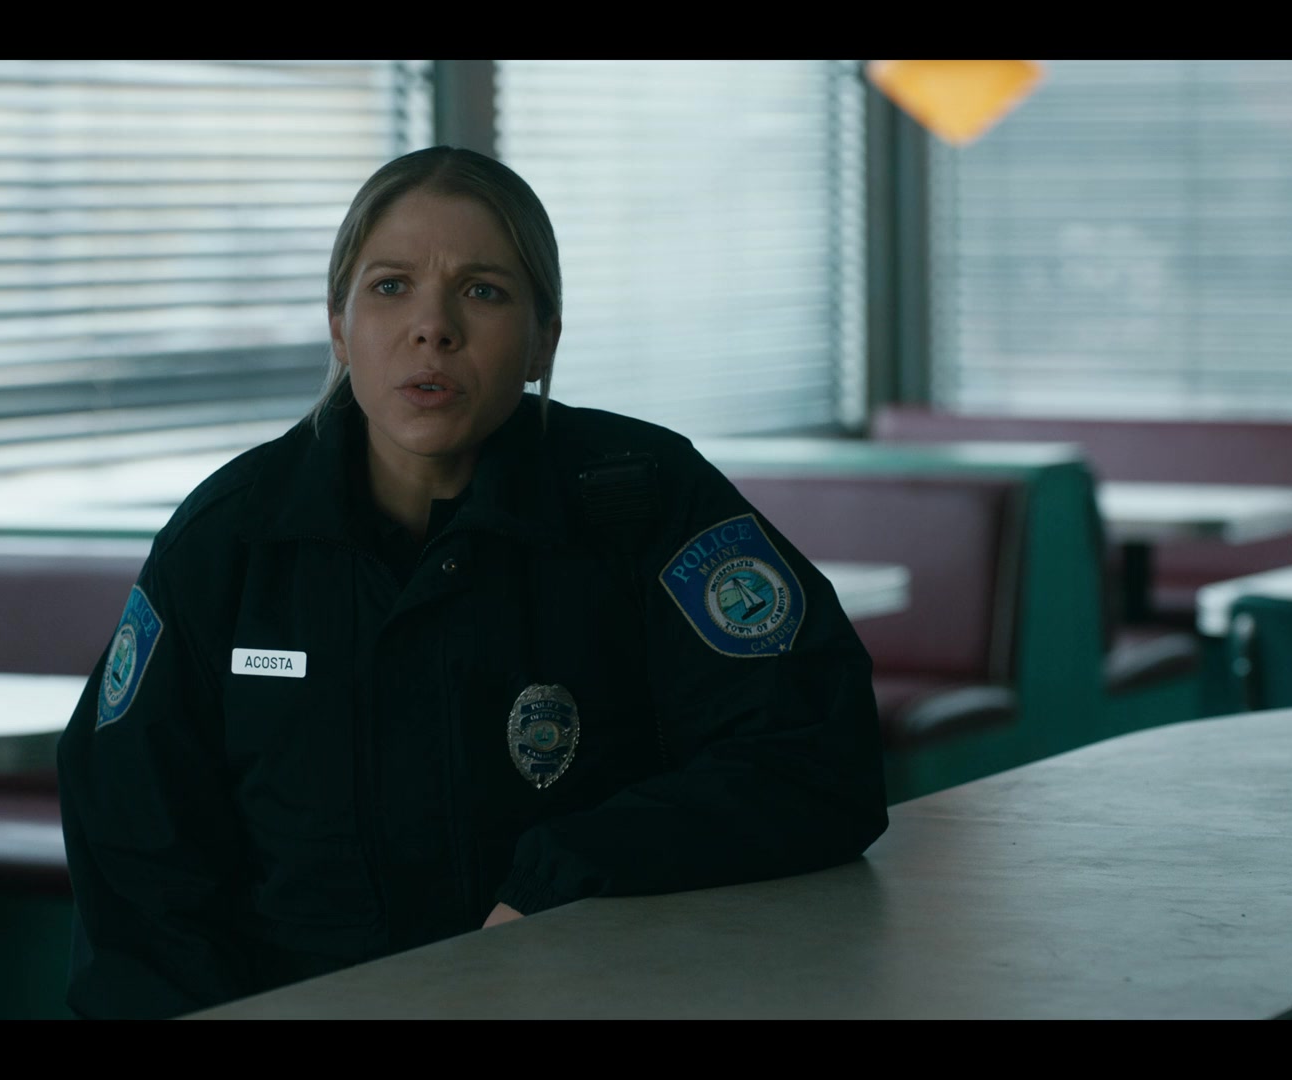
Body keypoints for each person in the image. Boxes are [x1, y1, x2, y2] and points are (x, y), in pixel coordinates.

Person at [55, 146, 889, 1019]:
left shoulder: (644, 502)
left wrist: (576, 870)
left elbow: (813, 757)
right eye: (390, 287)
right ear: (339, 327)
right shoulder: (229, 539)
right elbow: (134, 849)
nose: (433, 328)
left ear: (543, 338)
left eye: (483, 291)